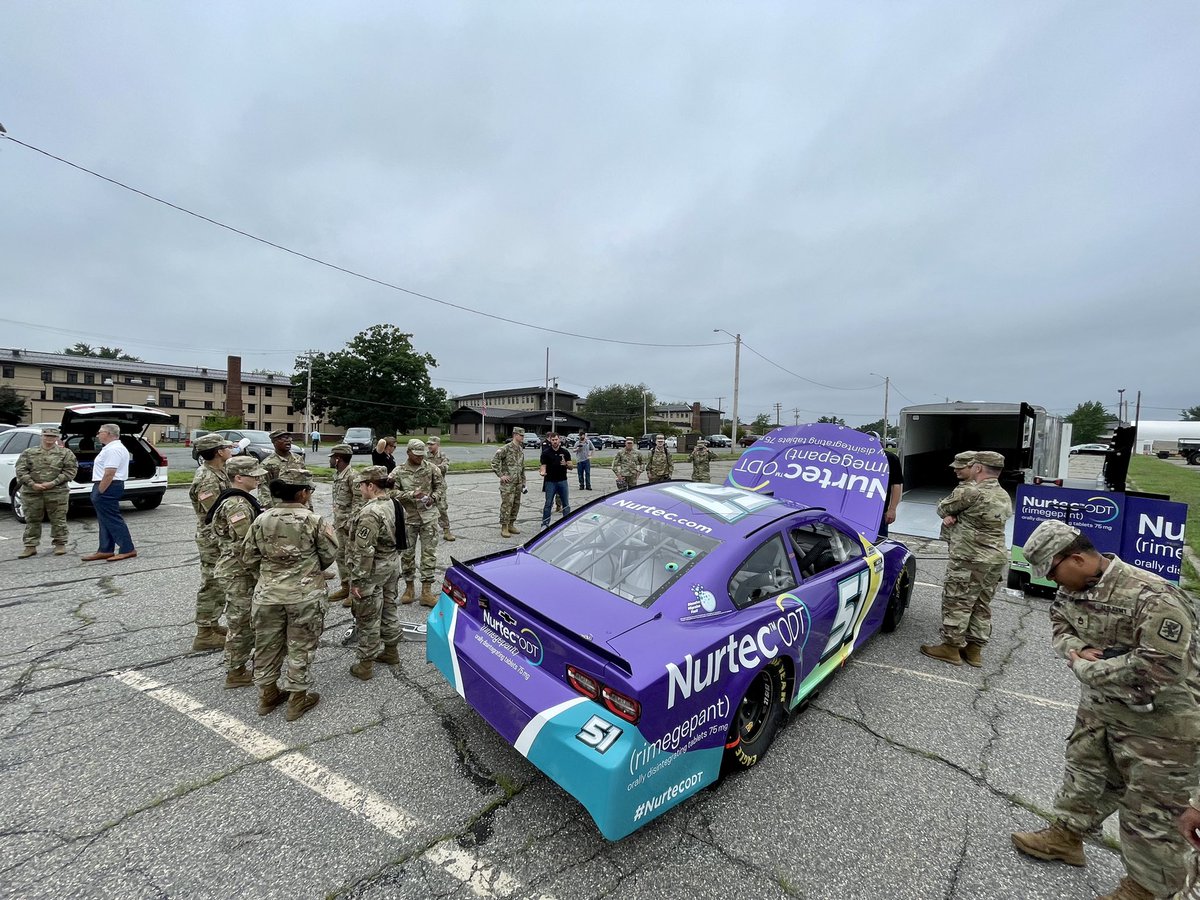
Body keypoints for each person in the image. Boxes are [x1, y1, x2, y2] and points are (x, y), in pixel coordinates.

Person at [1012, 520, 1200, 900]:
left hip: (1161, 723)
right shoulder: (1072, 589)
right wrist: (1076, 649)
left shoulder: (1153, 596)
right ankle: (1067, 837)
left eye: (1052, 571)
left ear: (1077, 558)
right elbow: (1060, 624)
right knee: (1085, 773)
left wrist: (1085, 669)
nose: (1050, 580)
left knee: (1152, 810)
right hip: (1101, 707)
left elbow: (1159, 667)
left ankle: (1145, 890)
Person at [242, 469, 337, 722]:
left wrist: (269, 575)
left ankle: (268, 695)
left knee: (266, 645)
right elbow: (328, 555)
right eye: (310, 490)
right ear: (303, 493)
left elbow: (248, 557)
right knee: (301, 646)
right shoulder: (314, 520)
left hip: (267, 595)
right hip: (304, 595)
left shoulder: (261, 519)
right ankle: (297, 700)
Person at [920, 450, 1012, 667]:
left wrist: (952, 514)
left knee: (957, 601)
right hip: (996, 558)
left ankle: (951, 648)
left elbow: (943, 507)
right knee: (981, 603)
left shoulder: (971, 492)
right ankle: (974, 650)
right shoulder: (1003, 495)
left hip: (970, 557)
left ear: (978, 468)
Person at [207, 455, 267, 688]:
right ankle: (236, 671)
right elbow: (246, 542)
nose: (258, 480)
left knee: (247, 619)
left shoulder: (241, 499)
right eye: (254, 476)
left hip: (240, 569)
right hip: (238, 571)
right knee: (241, 622)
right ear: (239, 478)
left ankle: (242, 664)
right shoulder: (236, 504)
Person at [346, 465, 404, 681]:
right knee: (389, 608)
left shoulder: (371, 512)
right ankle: (391, 651)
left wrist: (357, 581)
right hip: (391, 565)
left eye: (361, 485)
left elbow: (364, 550)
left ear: (371, 486)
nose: (360, 489)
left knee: (368, 617)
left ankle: (365, 664)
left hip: (373, 571)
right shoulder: (395, 503)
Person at [189, 433, 234, 651]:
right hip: (212, 538)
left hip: (219, 536)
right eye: (227, 447)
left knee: (219, 582)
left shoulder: (219, 471)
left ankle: (212, 625)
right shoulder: (207, 478)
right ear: (219, 452)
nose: (230, 449)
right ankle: (204, 633)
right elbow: (215, 513)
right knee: (212, 583)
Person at [391, 438, 444, 607]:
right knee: (407, 554)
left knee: (429, 554)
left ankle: (426, 592)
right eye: (416, 455)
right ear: (408, 452)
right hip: (408, 519)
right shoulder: (398, 471)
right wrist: (410, 494)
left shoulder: (432, 468)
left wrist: (433, 498)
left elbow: (441, 487)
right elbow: (390, 492)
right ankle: (409, 588)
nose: (420, 458)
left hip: (429, 517)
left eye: (422, 455)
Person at [15, 426, 77, 558]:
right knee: (32, 519)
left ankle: (60, 544)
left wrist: (53, 483)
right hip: (32, 492)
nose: (49, 439)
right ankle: (30, 546)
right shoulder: (29, 452)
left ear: (57, 438)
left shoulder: (65, 453)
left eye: (53, 436)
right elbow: (20, 470)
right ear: (42, 436)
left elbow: (70, 471)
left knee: (58, 519)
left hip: (57, 491)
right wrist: (32, 484)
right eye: (47, 436)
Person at [82, 423, 137, 562]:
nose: (97, 435)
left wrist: (100, 491)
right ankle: (105, 549)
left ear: (108, 433)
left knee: (112, 519)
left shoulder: (114, 449)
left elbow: (109, 473)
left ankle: (127, 549)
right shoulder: (110, 448)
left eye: (100, 432)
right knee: (104, 519)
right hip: (106, 485)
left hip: (109, 486)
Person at [327, 443, 362, 606]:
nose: (330, 460)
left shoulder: (352, 476)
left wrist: (351, 523)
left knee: (351, 559)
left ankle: (354, 592)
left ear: (338, 459)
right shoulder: (338, 475)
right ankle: (345, 586)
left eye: (332, 458)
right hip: (339, 524)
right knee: (340, 556)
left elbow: (359, 501)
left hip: (349, 526)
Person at [258, 430, 309, 509]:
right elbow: (264, 488)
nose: (287, 440)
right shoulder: (267, 463)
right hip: (279, 505)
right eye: (282, 438)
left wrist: (309, 505)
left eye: (288, 438)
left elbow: (306, 482)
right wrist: (270, 508)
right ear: (274, 442)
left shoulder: (298, 459)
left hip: (299, 504)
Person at [491, 427, 526, 538]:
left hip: (518, 482)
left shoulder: (520, 449)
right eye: (521, 435)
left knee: (516, 504)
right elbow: (494, 462)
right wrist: (501, 475)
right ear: (515, 435)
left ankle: (511, 524)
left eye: (523, 435)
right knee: (507, 505)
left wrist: (523, 480)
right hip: (508, 484)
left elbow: (522, 467)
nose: (523, 437)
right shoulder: (505, 449)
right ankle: (504, 527)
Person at [539, 432, 573, 529]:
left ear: (559, 440)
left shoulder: (565, 452)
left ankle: (567, 523)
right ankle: (545, 524)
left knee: (565, 504)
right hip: (550, 481)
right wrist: (542, 472)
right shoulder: (546, 453)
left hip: (562, 481)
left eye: (556, 439)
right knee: (548, 503)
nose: (555, 441)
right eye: (553, 440)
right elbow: (543, 466)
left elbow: (571, 466)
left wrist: (566, 464)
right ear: (550, 440)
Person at [425, 435, 455, 541]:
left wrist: (432, 468)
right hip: (427, 487)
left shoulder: (442, 455)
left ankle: (446, 531)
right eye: (428, 444)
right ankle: (427, 531)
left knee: (442, 509)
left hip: (439, 487)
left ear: (438, 445)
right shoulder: (425, 456)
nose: (429, 446)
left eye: (432, 444)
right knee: (425, 509)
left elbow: (445, 468)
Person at [878, 445, 904, 538]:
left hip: (880, 512)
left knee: (879, 542)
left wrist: (892, 509)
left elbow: (896, 485)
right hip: (854, 511)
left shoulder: (890, 458)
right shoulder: (855, 457)